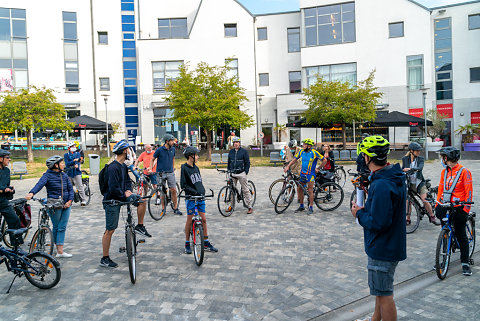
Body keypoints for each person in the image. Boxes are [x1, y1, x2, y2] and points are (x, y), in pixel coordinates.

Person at [351, 136, 406, 321]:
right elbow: (384, 211)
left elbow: (379, 222)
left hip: (383, 247)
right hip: (389, 245)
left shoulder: (382, 184)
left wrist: (358, 214)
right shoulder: (389, 176)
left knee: (385, 295)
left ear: (367, 157)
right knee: (379, 291)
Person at [100, 140, 145, 268]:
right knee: (110, 229)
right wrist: (123, 194)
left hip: (122, 196)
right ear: (125, 151)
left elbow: (127, 182)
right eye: (129, 150)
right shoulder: (112, 168)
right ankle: (105, 258)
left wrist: (128, 190)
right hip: (112, 200)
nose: (130, 152)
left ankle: (140, 226)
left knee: (141, 201)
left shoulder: (123, 166)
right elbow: (113, 188)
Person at [26, 156, 74, 258]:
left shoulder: (64, 175)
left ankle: (59, 251)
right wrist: (31, 193)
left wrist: (69, 201)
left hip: (66, 205)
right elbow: (39, 184)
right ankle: (59, 251)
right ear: (56, 165)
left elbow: (70, 189)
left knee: (62, 227)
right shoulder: (47, 175)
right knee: (58, 227)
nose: (63, 164)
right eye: (61, 163)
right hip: (54, 205)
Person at [435, 147, 474, 276]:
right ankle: (444, 257)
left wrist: (465, 208)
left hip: (460, 206)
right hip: (446, 204)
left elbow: (468, 191)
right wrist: (437, 204)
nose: (442, 160)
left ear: (448, 158)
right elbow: (441, 188)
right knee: (445, 231)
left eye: (443, 157)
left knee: (460, 233)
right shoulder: (444, 172)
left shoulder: (464, 172)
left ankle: (465, 262)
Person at [180, 146, 218, 254]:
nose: (197, 157)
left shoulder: (196, 168)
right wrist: (193, 192)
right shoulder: (184, 168)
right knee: (189, 219)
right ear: (190, 156)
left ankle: (205, 241)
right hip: (191, 198)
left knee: (204, 219)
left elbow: (199, 182)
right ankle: (187, 242)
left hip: (200, 197)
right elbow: (183, 185)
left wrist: (202, 191)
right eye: (196, 155)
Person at [284, 138, 326, 215]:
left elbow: (324, 160)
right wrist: (288, 166)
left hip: (310, 174)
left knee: (310, 191)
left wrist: (318, 168)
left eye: (304, 144)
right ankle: (302, 205)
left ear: (309, 146)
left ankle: (311, 207)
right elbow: (294, 159)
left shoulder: (314, 152)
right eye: (303, 144)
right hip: (303, 173)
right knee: (300, 189)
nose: (303, 145)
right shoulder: (301, 151)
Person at [402, 142, 440, 225]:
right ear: (411, 151)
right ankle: (408, 218)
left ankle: (432, 216)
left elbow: (420, 167)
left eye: (419, 150)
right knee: (408, 201)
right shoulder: (405, 159)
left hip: (419, 183)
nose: (419, 152)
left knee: (424, 200)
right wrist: (402, 170)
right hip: (409, 183)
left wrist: (411, 169)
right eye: (417, 151)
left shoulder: (420, 159)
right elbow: (402, 169)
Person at [150, 134, 182, 215]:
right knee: (162, 191)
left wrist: (173, 167)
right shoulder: (159, 150)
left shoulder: (173, 149)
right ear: (167, 141)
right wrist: (151, 168)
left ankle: (175, 208)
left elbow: (173, 158)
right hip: (160, 173)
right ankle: (163, 209)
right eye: (172, 141)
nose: (173, 142)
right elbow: (153, 159)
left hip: (170, 172)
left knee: (173, 190)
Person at [0, 150, 23, 247]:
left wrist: (10, 189)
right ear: (0, 159)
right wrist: (3, 189)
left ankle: (15, 246)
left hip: (3, 201)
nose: (9, 159)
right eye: (7, 157)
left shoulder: (6, 170)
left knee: (15, 220)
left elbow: (6, 186)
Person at [227, 136, 253, 214]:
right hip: (233, 173)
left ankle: (250, 206)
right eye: (234, 142)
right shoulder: (231, 152)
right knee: (231, 190)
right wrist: (228, 170)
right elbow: (229, 162)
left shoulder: (244, 151)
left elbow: (247, 162)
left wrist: (246, 172)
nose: (235, 144)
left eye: (237, 142)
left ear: (239, 143)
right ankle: (231, 206)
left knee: (245, 190)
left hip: (241, 173)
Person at [64, 141, 87, 206]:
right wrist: (73, 161)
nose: (74, 147)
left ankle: (83, 200)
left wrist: (76, 163)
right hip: (69, 172)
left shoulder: (77, 153)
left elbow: (78, 161)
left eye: (74, 146)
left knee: (80, 186)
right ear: (69, 148)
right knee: (68, 187)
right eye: (72, 146)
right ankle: (69, 200)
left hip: (76, 172)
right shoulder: (66, 155)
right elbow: (67, 163)